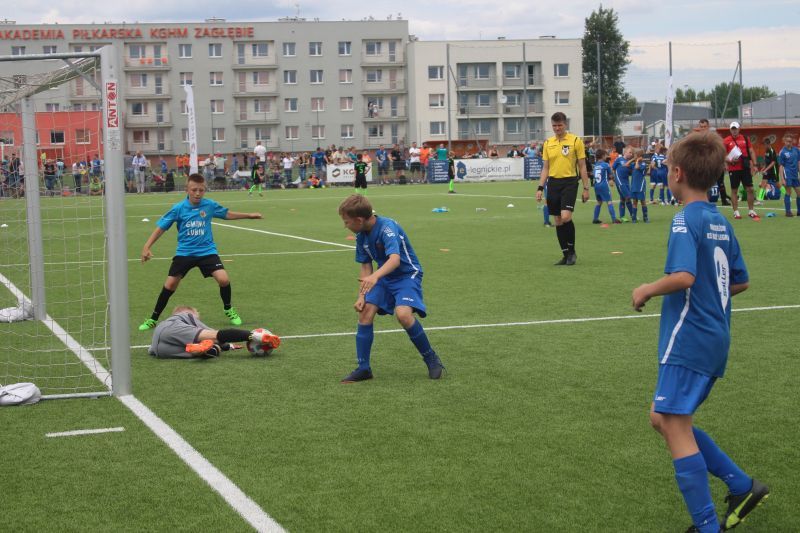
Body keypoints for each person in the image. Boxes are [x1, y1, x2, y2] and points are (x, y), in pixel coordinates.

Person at [631, 130, 768, 533]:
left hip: (689, 336)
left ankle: (707, 526)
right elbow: (739, 281)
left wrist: (647, 289)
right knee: (663, 418)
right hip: (714, 335)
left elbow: (684, 276)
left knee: (673, 424)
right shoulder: (719, 220)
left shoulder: (684, 219)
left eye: (668, 169)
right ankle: (741, 486)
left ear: (677, 173)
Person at [338, 195, 445, 382]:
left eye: (346, 222)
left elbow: (394, 260)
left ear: (359, 220)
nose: (345, 226)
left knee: (403, 315)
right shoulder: (361, 236)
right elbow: (366, 267)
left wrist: (375, 277)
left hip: (407, 275)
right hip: (384, 277)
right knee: (365, 312)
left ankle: (431, 358)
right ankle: (364, 368)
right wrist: (362, 296)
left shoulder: (387, 227)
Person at [137, 173, 262, 331]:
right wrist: (146, 246)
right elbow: (161, 228)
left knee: (223, 279)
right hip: (185, 253)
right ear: (187, 190)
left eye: (201, 190)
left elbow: (227, 214)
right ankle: (153, 319)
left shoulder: (209, 205)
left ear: (205, 190)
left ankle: (228, 309)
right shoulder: (178, 208)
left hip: (207, 251)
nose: (197, 193)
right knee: (170, 285)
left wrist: (249, 215)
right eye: (194, 190)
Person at [536, 112, 590, 265]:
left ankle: (572, 252)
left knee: (566, 217)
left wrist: (586, 188)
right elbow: (545, 168)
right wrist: (540, 187)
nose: (557, 128)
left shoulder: (575, 141)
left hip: (570, 182)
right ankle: (565, 254)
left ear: (565, 124)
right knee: (558, 220)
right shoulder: (548, 143)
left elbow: (582, 166)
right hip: (553, 183)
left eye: (559, 125)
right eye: (554, 126)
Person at [148, 305, 280, 359]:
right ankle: (257, 336)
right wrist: (247, 337)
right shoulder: (186, 316)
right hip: (172, 329)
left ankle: (203, 350)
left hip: (158, 348)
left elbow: (151, 351)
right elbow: (218, 335)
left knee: (210, 347)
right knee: (215, 337)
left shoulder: (166, 323)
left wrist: (227, 346)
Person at [723, 122, 759, 220]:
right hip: (733, 168)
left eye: (735, 129)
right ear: (730, 130)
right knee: (734, 190)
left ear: (739, 129)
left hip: (745, 167)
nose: (734, 131)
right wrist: (729, 160)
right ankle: (736, 212)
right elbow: (722, 155)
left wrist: (755, 165)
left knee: (750, 189)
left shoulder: (745, 139)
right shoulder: (726, 140)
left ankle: (751, 211)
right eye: (732, 129)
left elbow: (751, 151)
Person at [697, 119, 730, 206]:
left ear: (708, 127)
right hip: (704, 164)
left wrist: (724, 163)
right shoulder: (697, 139)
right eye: (701, 127)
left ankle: (724, 200)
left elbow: (720, 151)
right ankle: (704, 201)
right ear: (699, 127)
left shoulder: (714, 138)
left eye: (704, 126)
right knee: (704, 183)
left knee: (720, 182)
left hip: (716, 163)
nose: (703, 128)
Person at [590, 149, 618, 224]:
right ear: (603, 156)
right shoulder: (606, 165)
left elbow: (593, 175)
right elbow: (611, 175)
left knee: (599, 202)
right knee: (609, 201)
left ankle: (595, 219)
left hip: (596, 186)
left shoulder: (595, 165)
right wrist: (612, 180)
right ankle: (614, 219)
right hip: (604, 186)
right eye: (605, 155)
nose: (606, 156)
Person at [778, 132, 800, 217]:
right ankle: (788, 212)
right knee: (788, 192)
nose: (788, 143)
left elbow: (798, 162)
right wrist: (782, 179)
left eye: (790, 141)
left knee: (799, 192)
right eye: (787, 141)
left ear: (792, 141)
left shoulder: (796, 150)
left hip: (795, 175)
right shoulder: (782, 152)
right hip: (787, 175)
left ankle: (799, 211)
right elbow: (781, 166)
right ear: (784, 141)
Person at [613, 146, 635, 222]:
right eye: (630, 152)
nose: (631, 154)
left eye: (632, 153)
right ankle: (633, 215)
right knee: (628, 197)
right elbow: (613, 168)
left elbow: (631, 172)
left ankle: (622, 216)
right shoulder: (619, 159)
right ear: (625, 152)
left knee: (623, 199)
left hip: (626, 181)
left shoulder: (630, 163)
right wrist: (612, 179)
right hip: (620, 181)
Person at [629, 148, 649, 223]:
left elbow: (637, 167)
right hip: (634, 185)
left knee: (643, 201)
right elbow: (626, 165)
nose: (633, 156)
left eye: (634, 154)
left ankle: (645, 217)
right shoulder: (633, 163)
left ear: (639, 155)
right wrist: (633, 159)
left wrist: (637, 160)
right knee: (634, 201)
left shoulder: (643, 164)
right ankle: (634, 218)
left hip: (640, 185)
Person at [757, 137, 778, 202]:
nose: (764, 146)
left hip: (773, 170)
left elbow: (773, 162)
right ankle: (760, 199)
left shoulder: (772, 151)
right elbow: (766, 163)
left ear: (768, 144)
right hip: (767, 171)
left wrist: (765, 170)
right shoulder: (766, 151)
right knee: (763, 183)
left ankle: (787, 195)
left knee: (778, 184)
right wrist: (762, 169)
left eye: (764, 144)